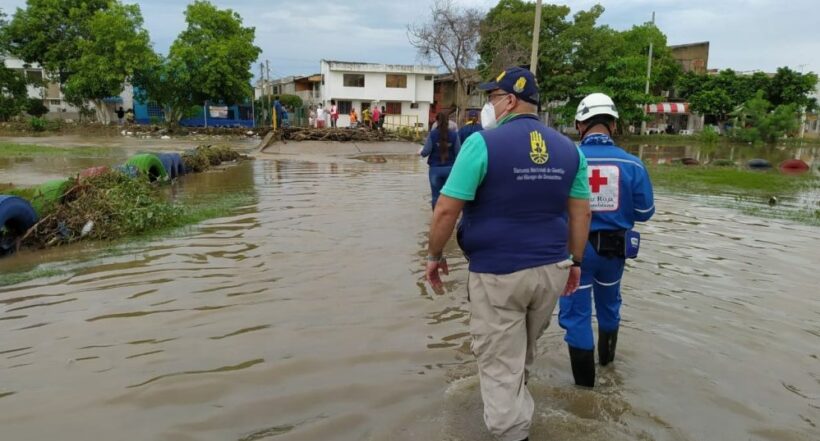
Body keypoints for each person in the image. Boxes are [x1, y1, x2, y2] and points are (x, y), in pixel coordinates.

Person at [425, 67, 592, 441]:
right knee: (521, 355)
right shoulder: (570, 149)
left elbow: (446, 210)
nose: (491, 105)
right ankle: (516, 412)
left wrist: (434, 256)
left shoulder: (482, 144)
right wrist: (576, 262)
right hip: (552, 269)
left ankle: (511, 430)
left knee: (499, 365)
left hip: (498, 274)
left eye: (493, 98)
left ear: (511, 100)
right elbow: (582, 212)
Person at [558, 93, 655, 388]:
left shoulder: (567, 159)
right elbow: (644, 212)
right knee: (610, 306)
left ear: (579, 124)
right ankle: (608, 366)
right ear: (613, 125)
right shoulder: (634, 165)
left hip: (576, 251)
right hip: (615, 252)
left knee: (577, 314)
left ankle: (585, 393)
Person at [420, 111, 461, 209]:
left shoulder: (432, 134)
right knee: (449, 196)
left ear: (436, 121)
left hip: (435, 170)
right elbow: (459, 153)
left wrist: (420, 152)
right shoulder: (454, 135)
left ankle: (435, 219)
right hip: (450, 170)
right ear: (448, 121)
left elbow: (425, 152)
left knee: (435, 196)